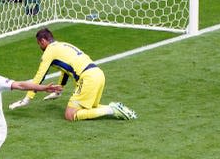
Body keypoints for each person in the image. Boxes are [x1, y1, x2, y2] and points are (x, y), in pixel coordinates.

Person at [8, 28, 138, 121]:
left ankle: (111, 109)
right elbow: (65, 70)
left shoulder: (49, 51)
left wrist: (27, 98)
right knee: (90, 108)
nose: (40, 47)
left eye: (39, 44)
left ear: (43, 41)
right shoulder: (64, 45)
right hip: (98, 74)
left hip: (87, 78)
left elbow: (39, 76)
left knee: (70, 115)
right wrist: (59, 90)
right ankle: (118, 109)